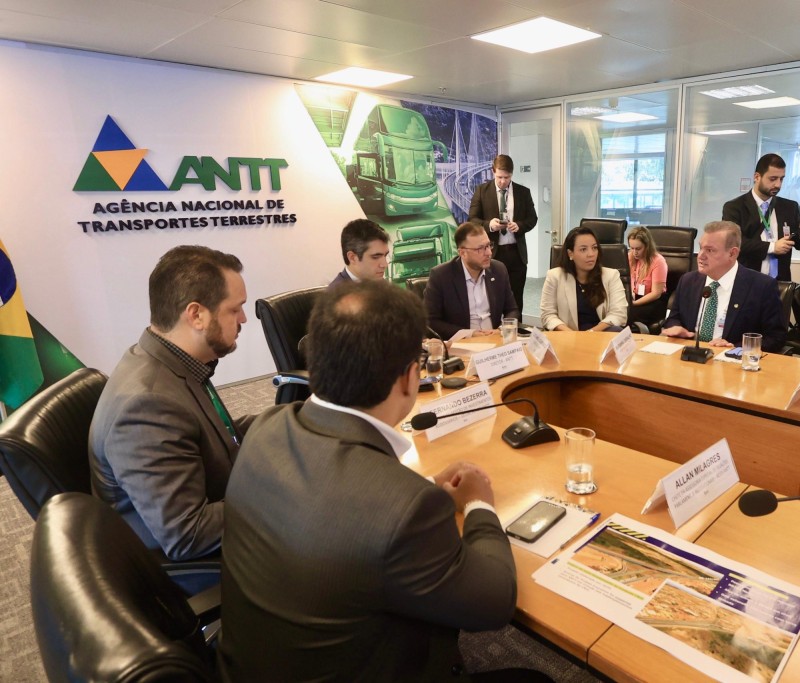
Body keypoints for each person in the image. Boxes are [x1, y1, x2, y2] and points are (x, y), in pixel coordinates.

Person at [218, 281, 523, 682]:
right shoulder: (405, 508)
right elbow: (495, 603)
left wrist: (421, 489)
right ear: (409, 377)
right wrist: (479, 503)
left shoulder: (266, 428)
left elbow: (339, 504)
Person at [89, 245, 254, 561]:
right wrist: (279, 493)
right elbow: (188, 535)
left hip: (220, 497)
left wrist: (289, 421)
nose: (244, 319)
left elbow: (217, 432)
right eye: (235, 309)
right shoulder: (146, 407)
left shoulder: (171, 359)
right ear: (196, 315)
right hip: (198, 565)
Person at [661, 221, 787, 352]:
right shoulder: (688, 281)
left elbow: (776, 338)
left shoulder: (762, 286)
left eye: (710, 250)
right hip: (690, 355)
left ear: (732, 254)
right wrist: (676, 327)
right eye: (701, 248)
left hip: (732, 359)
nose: (701, 256)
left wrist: (735, 347)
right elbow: (673, 318)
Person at [722, 153, 800, 281]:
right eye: (773, 179)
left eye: (781, 179)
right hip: (747, 281)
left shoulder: (790, 207)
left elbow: (798, 244)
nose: (778, 184)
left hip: (780, 282)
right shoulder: (735, 207)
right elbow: (734, 243)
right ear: (757, 177)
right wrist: (772, 247)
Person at [469, 154, 538, 315]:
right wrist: (489, 225)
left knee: (516, 299)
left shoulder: (523, 192)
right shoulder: (482, 191)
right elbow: (472, 220)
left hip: (516, 254)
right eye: (499, 177)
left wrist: (519, 225)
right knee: (492, 298)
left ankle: (515, 328)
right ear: (493, 171)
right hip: (492, 254)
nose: (503, 181)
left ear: (512, 174)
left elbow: (532, 219)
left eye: (507, 177)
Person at [424, 222, 518, 339]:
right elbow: (430, 322)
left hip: (495, 339)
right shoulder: (441, 276)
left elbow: (512, 310)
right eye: (480, 249)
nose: (489, 253)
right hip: (462, 342)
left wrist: (501, 330)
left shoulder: (499, 270)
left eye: (489, 245)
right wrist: (469, 334)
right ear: (462, 253)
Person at [540, 226, 628, 332]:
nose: (591, 254)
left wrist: (590, 334)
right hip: (567, 336)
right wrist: (571, 335)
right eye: (583, 249)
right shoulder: (554, 276)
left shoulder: (611, 276)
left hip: (601, 335)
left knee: (616, 331)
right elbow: (548, 314)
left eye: (594, 248)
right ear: (570, 254)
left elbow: (619, 314)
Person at [626, 226, 668, 327]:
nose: (634, 252)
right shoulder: (630, 257)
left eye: (638, 249)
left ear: (647, 246)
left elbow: (656, 294)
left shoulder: (658, 261)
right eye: (632, 248)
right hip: (634, 298)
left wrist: (634, 304)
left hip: (653, 301)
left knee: (628, 315)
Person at [330, 218, 390, 285]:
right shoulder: (337, 291)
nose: (385, 265)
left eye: (385, 255)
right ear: (352, 258)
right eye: (375, 257)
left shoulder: (382, 285)